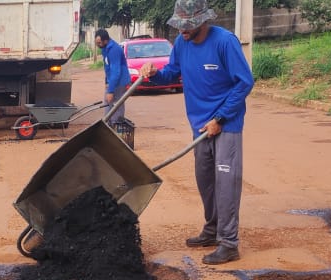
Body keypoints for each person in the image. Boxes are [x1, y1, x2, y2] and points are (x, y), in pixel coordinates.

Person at [140, 0, 254, 265]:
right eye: (179, 25)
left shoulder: (225, 42)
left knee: (226, 183)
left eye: (187, 25)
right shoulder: (182, 44)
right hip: (199, 124)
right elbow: (171, 73)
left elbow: (244, 82)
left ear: (203, 21)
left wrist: (221, 117)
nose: (182, 30)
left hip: (226, 124)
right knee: (205, 181)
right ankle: (212, 230)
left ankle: (229, 243)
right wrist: (154, 73)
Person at [94, 29, 131, 128]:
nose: (98, 45)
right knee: (108, 103)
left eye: (99, 43)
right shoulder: (105, 49)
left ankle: (116, 125)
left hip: (119, 82)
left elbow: (116, 71)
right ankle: (108, 125)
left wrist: (111, 91)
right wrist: (107, 81)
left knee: (116, 104)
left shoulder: (114, 50)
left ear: (105, 40)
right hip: (112, 81)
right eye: (96, 43)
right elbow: (107, 67)